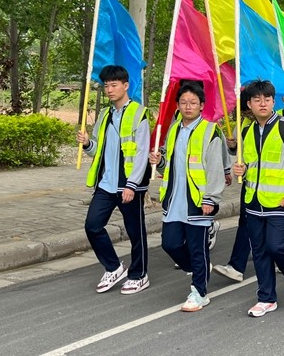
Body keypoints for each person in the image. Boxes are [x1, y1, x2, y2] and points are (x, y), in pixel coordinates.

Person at [232, 80, 284, 318]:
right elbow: (250, 164)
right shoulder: (246, 131)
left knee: (276, 246)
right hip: (254, 202)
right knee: (259, 251)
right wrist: (241, 170)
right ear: (249, 104)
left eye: (267, 99)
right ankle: (266, 298)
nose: (263, 103)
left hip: (281, 201)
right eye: (257, 100)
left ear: (274, 101)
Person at [149, 82, 225, 311]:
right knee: (170, 243)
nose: (188, 106)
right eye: (183, 102)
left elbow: (215, 168)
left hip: (198, 200)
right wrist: (159, 162)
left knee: (197, 248)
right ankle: (198, 269)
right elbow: (168, 165)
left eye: (193, 102)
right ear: (178, 105)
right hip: (174, 199)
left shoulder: (210, 131)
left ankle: (199, 293)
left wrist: (211, 198)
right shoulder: (174, 130)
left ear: (201, 105)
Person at [77, 65, 150, 295]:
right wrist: (87, 144)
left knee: (135, 232)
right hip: (106, 183)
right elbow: (98, 150)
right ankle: (114, 267)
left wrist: (132, 184)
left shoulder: (139, 113)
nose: (109, 89)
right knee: (92, 226)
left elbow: (142, 153)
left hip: (129, 184)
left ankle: (139, 275)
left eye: (114, 85)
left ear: (125, 86)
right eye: (106, 85)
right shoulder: (105, 115)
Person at [213, 89, 254, 283]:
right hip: (250, 184)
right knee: (246, 223)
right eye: (245, 110)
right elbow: (240, 152)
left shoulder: (279, 125)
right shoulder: (242, 124)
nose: (248, 113)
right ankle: (236, 266)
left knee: (275, 227)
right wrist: (233, 146)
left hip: (276, 187)